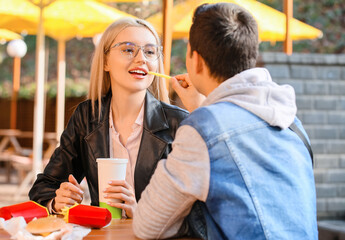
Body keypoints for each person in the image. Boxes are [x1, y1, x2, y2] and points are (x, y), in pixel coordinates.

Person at [133, 3, 318, 239]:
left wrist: (201, 120)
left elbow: (147, 226)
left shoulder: (203, 130)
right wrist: (202, 109)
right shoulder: (293, 124)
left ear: (196, 60)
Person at [29, 17, 188, 218]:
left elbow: (197, 208)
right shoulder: (87, 117)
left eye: (150, 51)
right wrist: (56, 201)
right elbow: (44, 187)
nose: (142, 59)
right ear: (105, 61)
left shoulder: (180, 122)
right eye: (128, 49)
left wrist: (142, 213)